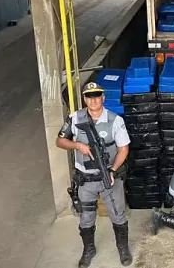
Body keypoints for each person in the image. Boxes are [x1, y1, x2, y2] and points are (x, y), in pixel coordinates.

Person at [56, 82, 132, 268]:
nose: (93, 100)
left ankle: (123, 248)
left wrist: (113, 170)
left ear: (103, 98)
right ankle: (89, 249)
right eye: (89, 96)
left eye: (97, 96)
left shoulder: (115, 120)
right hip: (85, 180)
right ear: (84, 99)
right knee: (86, 218)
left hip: (109, 178)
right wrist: (77, 145)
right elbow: (60, 141)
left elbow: (123, 149)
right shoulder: (74, 118)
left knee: (118, 216)